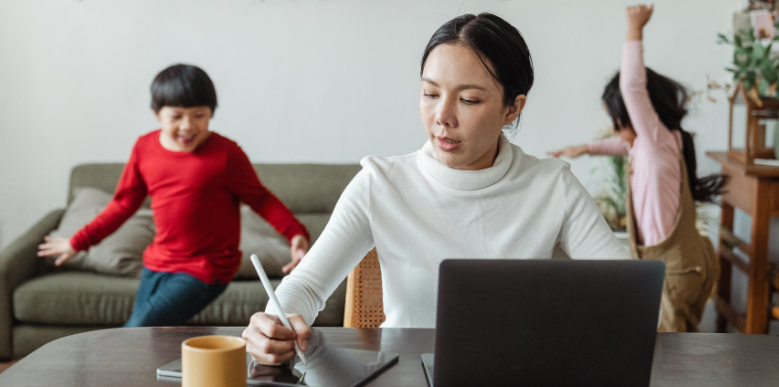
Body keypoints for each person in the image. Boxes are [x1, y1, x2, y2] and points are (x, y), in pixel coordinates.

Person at [242, 13, 630, 365]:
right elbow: (307, 286)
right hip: (405, 377)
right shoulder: (381, 183)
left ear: (513, 108)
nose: (442, 117)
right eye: (430, 93)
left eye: (468, 99)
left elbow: (626, 294)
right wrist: (274, 322)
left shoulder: (552, 186)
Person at [37, 64, 311, 327]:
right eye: (176, 116)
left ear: (212, 113)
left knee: (135, 332)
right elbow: (122, 204)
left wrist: (295, 234)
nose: (188, 125)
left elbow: (260, 198)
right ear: (157, 114)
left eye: (199, 115)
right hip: (157, 262)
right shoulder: (144, 148)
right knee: (148, 339)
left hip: (207, 268)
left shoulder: (227, 154)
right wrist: (78, 242)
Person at [548, 4, 727, 332]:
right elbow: (623, 145)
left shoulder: (656, 139)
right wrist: (586, 148)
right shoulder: (657, 144)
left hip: (675, 272)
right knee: (666, 349)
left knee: (669, 355)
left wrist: (635, 29)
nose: (615, 132)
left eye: (616, 122)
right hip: (678, 265)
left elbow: (631, 87)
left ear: (636, 115)